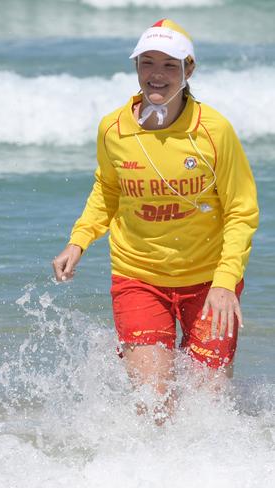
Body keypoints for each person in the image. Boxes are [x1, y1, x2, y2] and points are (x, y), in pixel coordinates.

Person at [52, 19, 258, 421]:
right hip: (139, 278)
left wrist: (224, 282)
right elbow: (107, 191)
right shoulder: (113, 129)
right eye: (147, 63)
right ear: (136, 68)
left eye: (169, 64)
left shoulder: (215, 131)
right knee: (153, 404)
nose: (157, 75)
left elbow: (241, 210)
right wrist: (78, 241)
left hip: (208, 281)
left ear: (189, 69)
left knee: (207, 406)